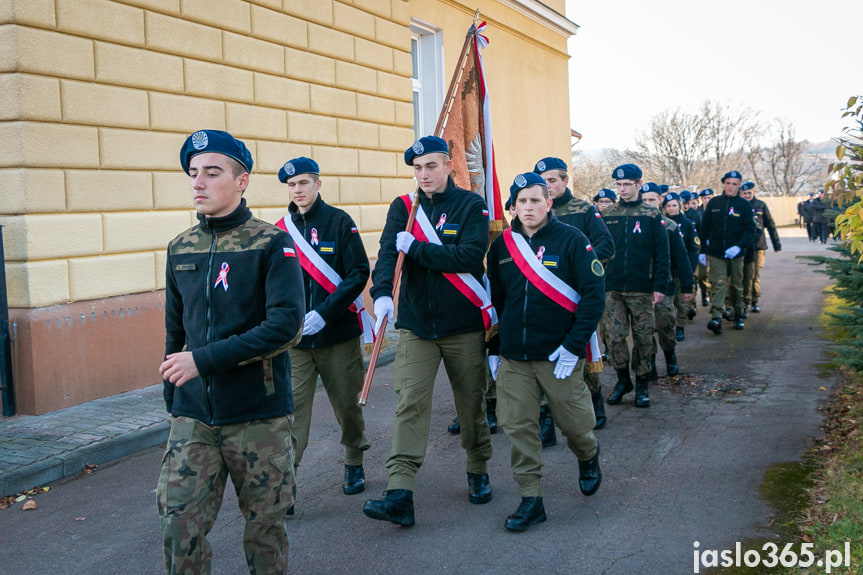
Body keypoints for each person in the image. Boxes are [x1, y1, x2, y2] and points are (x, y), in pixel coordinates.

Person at [158, 130, 305, 575]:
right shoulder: (181, 247)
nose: (198, 182)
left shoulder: (270, 243)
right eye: (193, 173)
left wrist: (202, 361)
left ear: (242, 181)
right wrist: (174, 398)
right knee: (178, 525)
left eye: (212, 172)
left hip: (256, 416)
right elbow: (175, 332)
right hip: (194, 419)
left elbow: (285, 327)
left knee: (264, 530)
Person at [362, 136, 494, 527]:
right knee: (410, 404)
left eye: (431, 166)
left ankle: (477, 467)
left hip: (462, 325)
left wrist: (417, 248)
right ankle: (399, 492)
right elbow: (388, 252)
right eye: (417, 169)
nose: (424, 175)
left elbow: (469, 256)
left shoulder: (470, 205)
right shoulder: (403, 208)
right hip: (417, 325)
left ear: (449, 166)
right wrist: (382, 293)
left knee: (471, 403)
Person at [487, 172, 604, 532]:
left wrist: (573, 346)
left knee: (575, 425)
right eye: (521, 201)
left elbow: (593, 297)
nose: (528, 207)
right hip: (515, 358)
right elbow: (498, 302)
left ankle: (588, 456)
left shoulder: (573, 240)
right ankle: (531, 498)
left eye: (535, 200)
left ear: (549, 202)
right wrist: (494, 347)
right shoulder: (502, 247)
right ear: (514, 206)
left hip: (560, 356)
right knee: (519, 428)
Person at [274, 157, 372, 506]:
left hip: (337, 336)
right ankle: (287, 480)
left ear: (318, 183)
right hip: (296, 341)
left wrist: (326, 313)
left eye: (303, 183)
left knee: (347, 405)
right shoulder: (279, 230)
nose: (297, 190)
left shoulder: (339, 222)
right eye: (291, 185)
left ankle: (354, 460)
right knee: (292, 411)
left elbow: (358, 272)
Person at [535, 157, 615, 433]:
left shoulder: (583, 209)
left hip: (577, 294)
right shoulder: (535, 209)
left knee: (583, 352)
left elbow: (606, 245)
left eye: (552, 180)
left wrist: (580, 267)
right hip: (543, 296)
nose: (547, 186)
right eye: (542, 181)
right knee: (543, 355)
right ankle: (546, 419)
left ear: (565, 181)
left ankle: (595, 401)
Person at [601, 164, 670, 408]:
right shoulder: (608, 214)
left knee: (643, 339)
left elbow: (662, 253)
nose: (622, 189)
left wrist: (660, 286)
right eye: (618, 185)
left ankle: (642, 383)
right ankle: (622, 380)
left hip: (642, 288)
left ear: (638, 185)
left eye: (627, 184)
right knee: (614, 337)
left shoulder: (651, 215)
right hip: (613, 287)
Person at [640, 186, 694, 376]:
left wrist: (687, 286)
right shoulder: (636, 224)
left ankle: (670, 356)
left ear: (659, 202)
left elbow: (681, 258)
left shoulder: (670, 226)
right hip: (641, 286)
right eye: (644, 200)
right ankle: (650, 362)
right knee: (645, 329)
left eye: (652, 200)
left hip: (665, 285)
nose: (648, 204)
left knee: (665, 324)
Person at [698, 171, 757, 334]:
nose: (731, 186)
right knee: (718, 283)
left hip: (736, 254)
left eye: (735, 184)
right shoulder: (715, 203)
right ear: (724, 184)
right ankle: (716, 316)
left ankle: (738, 313)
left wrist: (739, 246)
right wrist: (702, 250)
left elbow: (750, 230)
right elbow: (704, 228)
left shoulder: (744, 205)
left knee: (736, 285)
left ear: (739, 185)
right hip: (716, 252)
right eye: (728, 183)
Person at [739, 182, 781, 315]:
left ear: (754, 192)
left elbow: (770, 225)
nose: (747, 195)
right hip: (744, 246)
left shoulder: (761, 205)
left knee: (755, 274)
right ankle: (744, 302)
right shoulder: (739, 206)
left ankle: (754, 300)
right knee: (744, 275)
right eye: (744, 193)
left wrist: (777, 244)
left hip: (758, 246)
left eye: (749, 193)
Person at [663, 192, 700, 340]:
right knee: (668, 301)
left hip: (683, 268)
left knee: (682, 300)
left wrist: (689, 268)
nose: (672, 208)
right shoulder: (661, 224)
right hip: (667, 268)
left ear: (679, 206)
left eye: (674, 205)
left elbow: (693, 248)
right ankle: (667, 325)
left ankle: (680, 326)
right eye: (668, 206)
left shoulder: (687, 224)